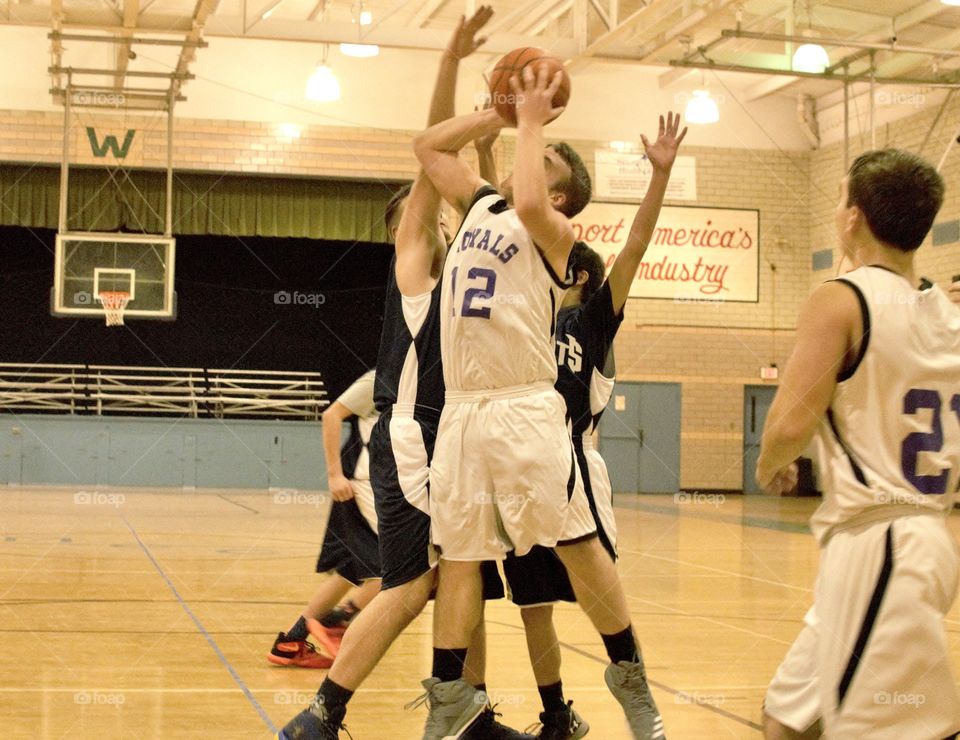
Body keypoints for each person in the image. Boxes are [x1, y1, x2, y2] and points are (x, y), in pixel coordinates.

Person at [278, 9, 530, 739]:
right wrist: (458, 67)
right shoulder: (416, 264)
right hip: (414, 438)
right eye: (430, 213)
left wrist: (496, 114)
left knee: (468, 574)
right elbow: (435, 152)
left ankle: (468, 713)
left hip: (458, 438)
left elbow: (474, 161)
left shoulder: (474, 258)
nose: (448, 214)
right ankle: (321, 715)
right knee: (414, 584)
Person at [413, 65, 666, 740]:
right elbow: (429, 148)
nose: (534, 140)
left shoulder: (558, 236)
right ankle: (447, 699)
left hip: (525, 411)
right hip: (465, 408)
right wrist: (499, 115)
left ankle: (631, 678)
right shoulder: (474, 206)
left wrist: (529, 119)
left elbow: (528, 204)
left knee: (580, 554)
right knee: (460, 556)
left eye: (543, 153)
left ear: (559, 189)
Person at [757, 148, 960, 739]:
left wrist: (772, 464)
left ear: (853, 218)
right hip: (916, 537)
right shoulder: (947, 317)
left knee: (892, 730)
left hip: (883, 542)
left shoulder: (842, 297)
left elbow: (791, 423)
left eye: (841, 198)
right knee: (787, 718)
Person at [500, 113, 685, 740]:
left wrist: (658, 176)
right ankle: (556, 716)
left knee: (599, 592)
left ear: (575, 274)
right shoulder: (521, 309)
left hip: (571, 460)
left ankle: (632, 682)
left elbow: (633, 246)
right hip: (516, 461)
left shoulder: (595, 320)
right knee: (533, 608)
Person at [268, 369, 382, 669]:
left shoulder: (421, 376)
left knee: (348, 570)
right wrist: (334, 475)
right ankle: (338, 620)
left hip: (374, 482)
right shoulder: (380, 377)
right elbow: (332, 415)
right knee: (404, 571)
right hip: (363, 482)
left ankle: (290, 642)